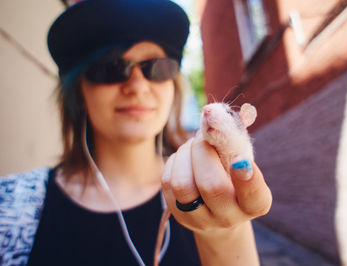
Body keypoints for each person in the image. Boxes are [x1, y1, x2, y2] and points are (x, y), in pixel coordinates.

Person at [0, 0, 272, 265]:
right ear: (79, 92)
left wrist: (227, 235)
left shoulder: (219, 187)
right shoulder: (10, 205)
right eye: (111, 68)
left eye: (158, 67)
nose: (138, 86)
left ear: (173, 86)